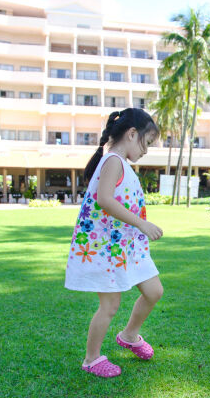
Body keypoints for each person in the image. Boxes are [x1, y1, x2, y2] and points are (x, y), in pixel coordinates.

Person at [65, 108, 163, 378]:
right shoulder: (113, 161)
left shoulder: (122, 164)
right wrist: (141, 223)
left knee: (154, 291)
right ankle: (91, 359)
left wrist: (139, 229)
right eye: (148, 142)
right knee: (110, 306)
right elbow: (104, 199)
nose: (147, 150)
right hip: (106, 248)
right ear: (132, 134)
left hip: (127, 247)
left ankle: (129, 335)